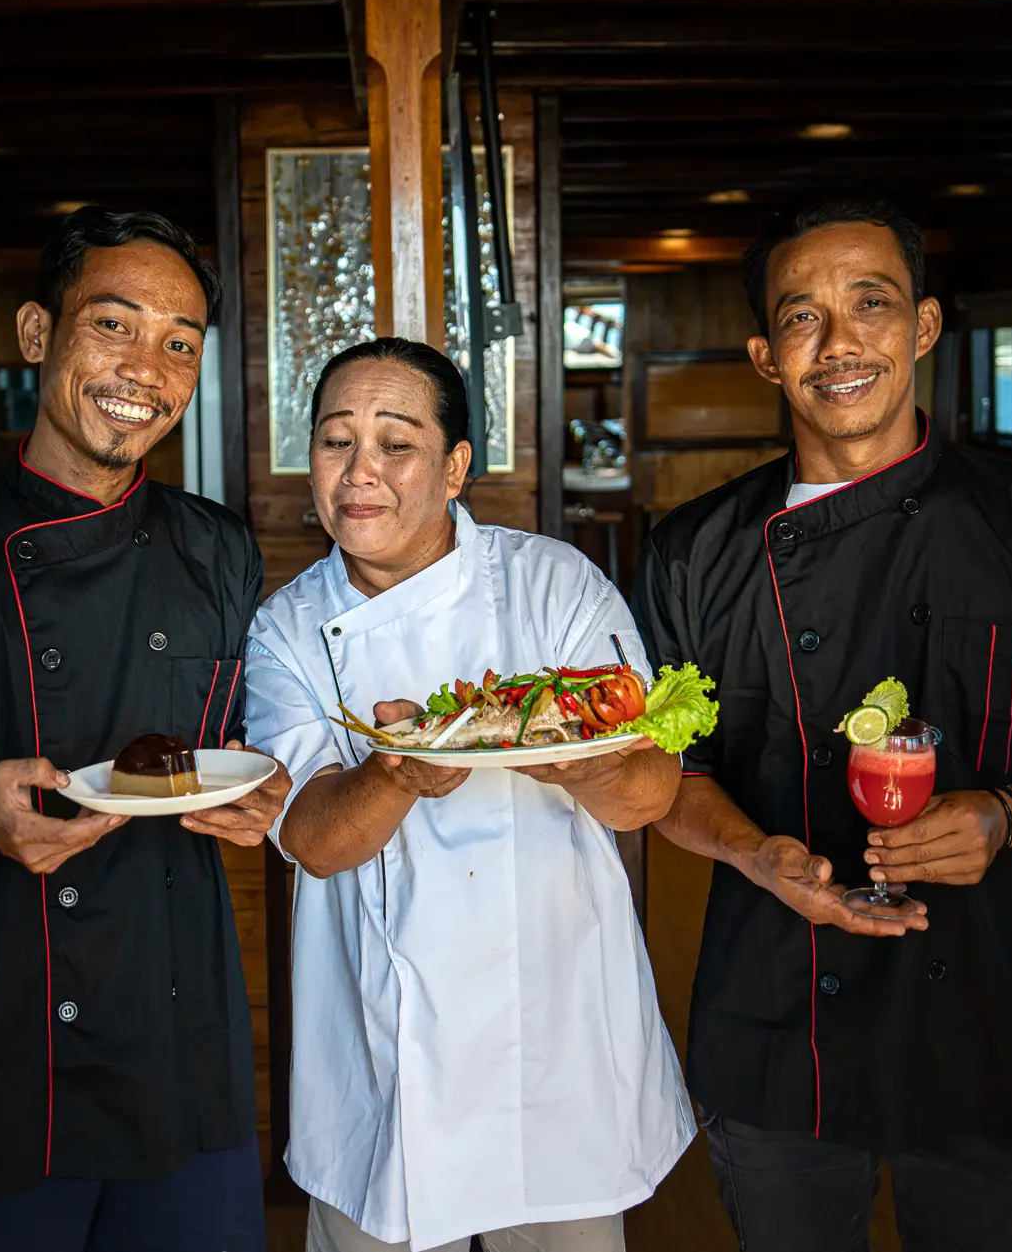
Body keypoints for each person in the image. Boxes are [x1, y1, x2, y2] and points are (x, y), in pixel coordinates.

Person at [632, 196, 1012, 1252]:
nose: (839, 345)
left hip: (989, 1012)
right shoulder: (695, 552)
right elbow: (670, 774)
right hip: (777, 1012)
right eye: (802, 317)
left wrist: (1010, 814)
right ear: (765, 354)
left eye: (871, 304)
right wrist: (756, 854)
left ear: (924, 327)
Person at [0, 207, 292, 1252]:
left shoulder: (219, 550)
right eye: (114, 326)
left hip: (184, 1049)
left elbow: (251, 748)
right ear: (38, 333)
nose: (146, 368)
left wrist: (269, 798)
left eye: (180, 344)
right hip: (1, 1050)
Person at [243, 338, 694, 1252]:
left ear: (453, 468)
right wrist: (400, 768)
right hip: (382, 1061)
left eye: (396, 443)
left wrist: (576, 755)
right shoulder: (287, 626)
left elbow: (650, 788)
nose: (360, 471)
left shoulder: (552, 583)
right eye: (336, 442)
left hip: (554, 1044)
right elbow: (315, 840)